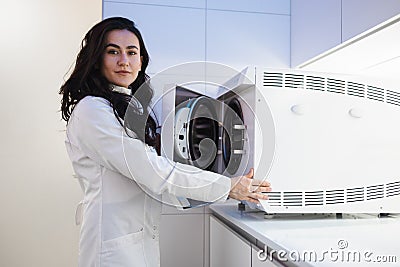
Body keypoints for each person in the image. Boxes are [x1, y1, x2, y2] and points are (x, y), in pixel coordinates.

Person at [59, 16, 271, 267]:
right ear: (96, 60)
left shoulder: (128, 107)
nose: (124, 61)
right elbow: (150, 169)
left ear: (141, 61)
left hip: (138, 241)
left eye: (132, 52)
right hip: (112, 249)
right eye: (112, 52)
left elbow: (153, 170)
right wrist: (226, 186)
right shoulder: (92, 110)